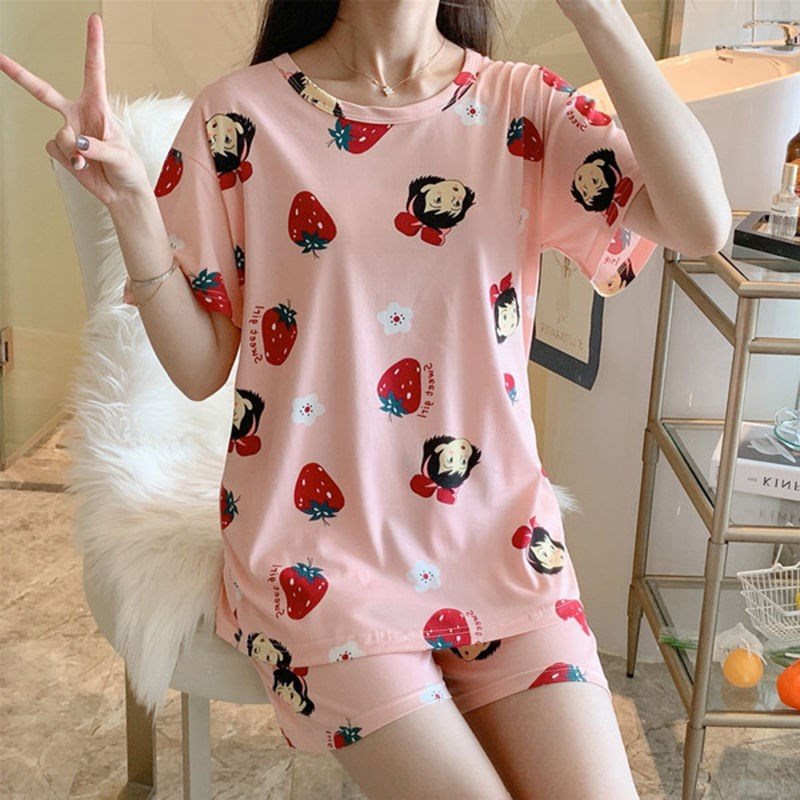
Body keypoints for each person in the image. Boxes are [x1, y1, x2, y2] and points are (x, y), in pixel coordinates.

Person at [3, 1, 728, 797]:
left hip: (498, 541)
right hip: (317, 564)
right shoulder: (238, 117)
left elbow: (701, 224)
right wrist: (132, 210)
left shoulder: (524, 107)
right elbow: (202, 367)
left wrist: (597, 10)